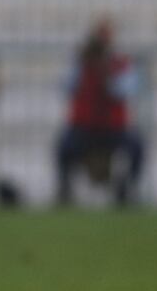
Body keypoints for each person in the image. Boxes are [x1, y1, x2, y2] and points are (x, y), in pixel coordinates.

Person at [55, 17, 144, 205]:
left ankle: (127, 189)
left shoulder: (121, 63)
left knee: (137, 146)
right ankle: (65, 190)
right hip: (85, 126)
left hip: (113, 127)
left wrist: (108, 75)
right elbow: (66, 86)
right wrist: (84, 65)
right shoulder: (81, 62)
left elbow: (126, 89)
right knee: (63, 147)